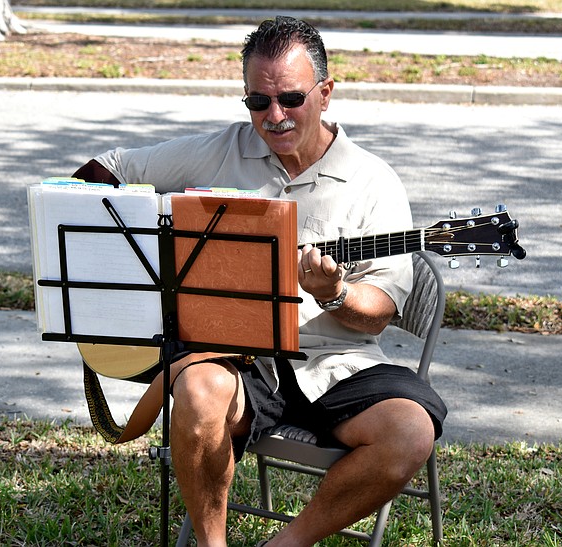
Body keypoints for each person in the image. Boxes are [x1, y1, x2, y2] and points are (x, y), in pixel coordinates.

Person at [73, 16, 447, 547]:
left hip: (335, 362)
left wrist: (333, 292)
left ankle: (286, 544)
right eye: (257, 102)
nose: (273, 116)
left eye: (290, 99)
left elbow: (381, 309)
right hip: (237, 357)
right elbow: (109, 167)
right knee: (199, 393)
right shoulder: (223, 150)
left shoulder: (373, 181)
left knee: (410, 432)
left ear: (326, 93)